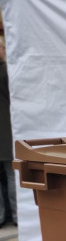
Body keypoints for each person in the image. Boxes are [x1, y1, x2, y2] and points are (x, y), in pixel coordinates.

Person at [0, 33, 16, 229]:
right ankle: (18, 216)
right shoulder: (7, 72)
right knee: (12, 175)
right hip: (6, 131)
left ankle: (1, 216)